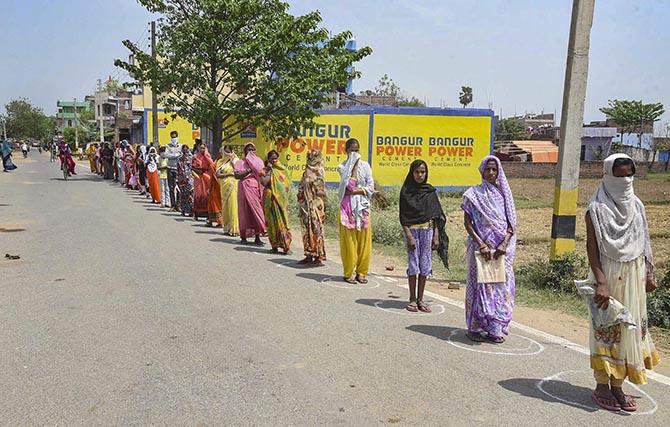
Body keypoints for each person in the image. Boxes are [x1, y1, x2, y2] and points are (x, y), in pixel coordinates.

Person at [586, 153, 660, 412]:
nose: (626, 180)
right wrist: (601, 282)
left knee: (630, 330)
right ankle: (602, 386)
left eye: (630, 174)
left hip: (634, 275)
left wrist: (649, 273)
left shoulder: (637, 205)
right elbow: (592, 249)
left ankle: (618, 384)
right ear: (608, 176)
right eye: (620, 175)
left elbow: (643, 240)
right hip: (608, 274)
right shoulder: (596, 208)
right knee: (607, 330)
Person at [461, 156, 516, 344]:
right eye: (488, 169)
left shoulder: (504, 196)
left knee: (500, 286)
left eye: (494, 170)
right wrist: (481, 244)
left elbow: (511, 225)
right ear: (482, 171)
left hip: (501, 251)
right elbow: (467, 223)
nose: (491, 173)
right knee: (479, 285)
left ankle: (495, 328)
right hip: (480, 249)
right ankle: (475, 327)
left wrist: (504, 244)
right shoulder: (473, 194)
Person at [400, 160, 449, 313]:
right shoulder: (406, 192)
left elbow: (435, 216)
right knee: (414, 265)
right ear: (412, 172)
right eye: (417, 172)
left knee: (425, 266)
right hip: (413, 232)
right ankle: (412, 299)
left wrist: (435, 236)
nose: (420, 175)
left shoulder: (430, 192)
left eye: (423, 172)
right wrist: (409, 236)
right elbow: (403, 217)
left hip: (427, 232)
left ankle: (421, 299)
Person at [337, 138, 374, 284]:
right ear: (346, 151)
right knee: (349, 241)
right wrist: (353, 167)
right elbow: (349, 186)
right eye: (352, 150)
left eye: (357, 150)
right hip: (348, 208)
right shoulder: (342, 167)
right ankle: (348, 272)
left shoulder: (366, 166)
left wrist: (356, 191)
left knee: (364, 240)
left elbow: (370, 187)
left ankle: (362, 272)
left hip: (363, 207)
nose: (354, 153)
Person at [297, 149, 327, 266]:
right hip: (306, 204)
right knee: (306, 229)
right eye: (309, 157)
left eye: (312, 157)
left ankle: (319, 256)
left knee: (316, 229)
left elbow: (320, 189)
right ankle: (309, 254)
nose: (310, 160)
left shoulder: (319, 170)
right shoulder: (306, 170)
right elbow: (302, 185)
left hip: (316, 204)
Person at [234, 142, 266, 245]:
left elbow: (262, 174)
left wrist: (254, 166)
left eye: (252, 149)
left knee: (256, 212)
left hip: (255, 190)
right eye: (248, 150)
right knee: (244, 213)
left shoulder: (259, 161)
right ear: (245, 151)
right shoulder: (240, 162)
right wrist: (249, 170)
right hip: (244, 189)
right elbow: (237, 176)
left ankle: (257, 236)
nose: (250, 152)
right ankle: (243, 237)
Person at [260, 150, 292, 254]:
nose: (274, 160)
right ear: (268, 159)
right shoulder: (264, 170)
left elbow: (286, 186)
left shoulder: (283, 170)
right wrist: (268, 169)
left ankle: (286, 246)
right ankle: (274, 246)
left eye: (275, 158)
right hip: (269, 200)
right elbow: (264, 182)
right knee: (271, 223)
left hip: (280, 202)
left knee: (281, 222)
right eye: (272, 158)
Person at [215, 145, 239, 236]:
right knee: (225, 207)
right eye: (226, 152)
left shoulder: (236, 160)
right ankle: (227, 228)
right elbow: (217, 174)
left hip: (233, 186)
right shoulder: (221, 161)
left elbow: (237, 171)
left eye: (229, 152)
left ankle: (234, 229)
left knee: (233, 206)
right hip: (224, 187)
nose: (227, 154)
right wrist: (229, 174)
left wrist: (232, 160)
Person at [191, 142, 214, 221]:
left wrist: (206, 156)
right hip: (198, 177)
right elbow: (192, 167)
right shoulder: (195, 157)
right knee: (198, 194)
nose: (202, 150)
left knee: (206, 194)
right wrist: (197, 171)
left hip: (206, 176)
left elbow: (212, 165)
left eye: (203, 148)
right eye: (200, 148)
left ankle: (208, 214)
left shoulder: (208, 156)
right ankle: (196, 213)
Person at [206, 147, 226, 228]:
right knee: (212, 202)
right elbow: (212, 167)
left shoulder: (227, 162)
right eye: (220, 152)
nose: (221, 154)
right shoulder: (218, 161)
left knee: (219, 203)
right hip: (214, 185)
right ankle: (212, 220)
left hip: (223, 184)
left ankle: (221, 221)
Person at [162, 131, 181, 211]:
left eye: (175, 137)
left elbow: (182, 154)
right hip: (170, 167)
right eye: (172, 137)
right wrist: (175, 155)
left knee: (179, 187)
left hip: (178, 168)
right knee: (171, 187)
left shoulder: (181, 146)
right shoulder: (167, 146)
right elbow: (165, 155)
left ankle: (178, 205)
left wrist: (173, 155)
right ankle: (173, 205)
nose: (174, 139)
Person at [176, 144, 194, 216]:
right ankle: (183, 210)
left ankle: (191, 211)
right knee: (183, 195)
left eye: (186, 149)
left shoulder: (191, 158)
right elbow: (178, 169)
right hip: (181, 179)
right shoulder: (179, 159)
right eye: (184, 149)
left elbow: (193, 168)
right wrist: (177, 179)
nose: (185, 150)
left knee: (190, 194)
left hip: (189, 178)